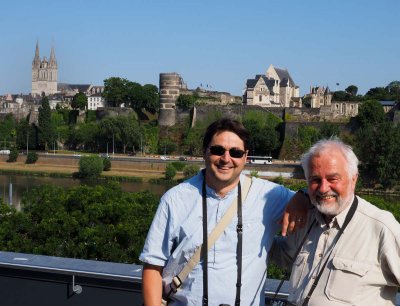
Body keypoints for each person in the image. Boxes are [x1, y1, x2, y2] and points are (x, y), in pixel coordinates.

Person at [140, 118, 309, 306]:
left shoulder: (269, 196)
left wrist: (302, 196)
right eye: (218, 150)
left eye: (236, 153)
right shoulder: (175, 199)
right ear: (205, 152)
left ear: (246, 157)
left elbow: (322, 198)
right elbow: (153, 265)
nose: (226, 159)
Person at [270, 138, 400, 305]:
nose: (323, 188)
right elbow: (283, 256)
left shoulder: (381, 227)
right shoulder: (306, 218)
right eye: (315, 180)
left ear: (354, 179)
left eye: (333, 179)